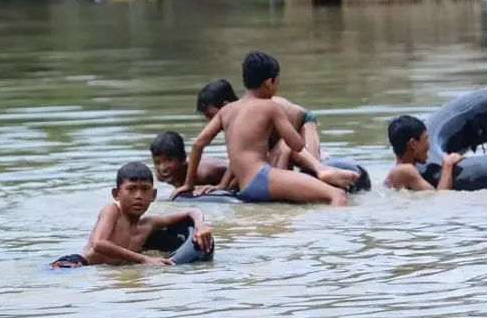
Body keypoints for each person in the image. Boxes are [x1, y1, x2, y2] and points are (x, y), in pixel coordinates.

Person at [171, 51, 358, 205]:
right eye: (278, 80)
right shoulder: (270, 106)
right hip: (262, 178)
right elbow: (297, 145)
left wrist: (189, 184)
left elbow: (197, 144)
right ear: (269, 82)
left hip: (245, 184)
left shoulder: (227, 110)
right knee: (337, 196)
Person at [50, 162, 213, 268]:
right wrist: (144, 259)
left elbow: (191, 211)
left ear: (154, 195)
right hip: (76, 265)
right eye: (131, 189)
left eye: (145, 189)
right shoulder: (112, 210)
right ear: (116, 193)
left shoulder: (148, 224)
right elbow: (99, 243)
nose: (138, 196)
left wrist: (200, 225)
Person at [196, 78, 323, 161]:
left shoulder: (251, 113)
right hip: (279, 138)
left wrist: (224, 187)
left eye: (211, 116)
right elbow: (240, 160)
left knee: (312, 167)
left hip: (302, 123)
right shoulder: (235, 120)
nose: (211, 122)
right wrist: (223, 187)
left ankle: (320, 155)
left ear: (225, 106)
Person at [384, 115, 463, 191]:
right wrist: (447, 164)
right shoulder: (406, 170)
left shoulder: (400, 169)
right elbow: (439, 198)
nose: (428, 145)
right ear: (413, 144)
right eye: (425, 139)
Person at [150, 131, 232, 194]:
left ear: (183, 159)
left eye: (169, 161)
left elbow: (236, 164)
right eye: (157, 162)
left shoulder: (204, 172)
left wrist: (222, 186)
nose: (163, 168)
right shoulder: (161, 175)